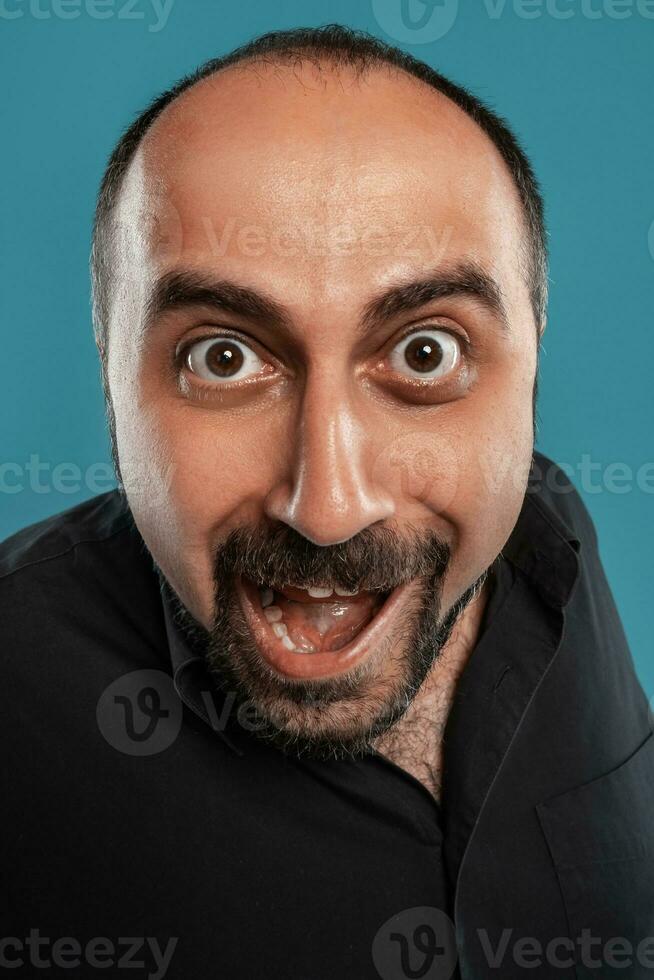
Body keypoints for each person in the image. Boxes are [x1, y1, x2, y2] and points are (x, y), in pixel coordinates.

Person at [1, 24, 652, 980]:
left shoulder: (554, 537)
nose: (329, 508)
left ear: (531, 355)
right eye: (222, 357)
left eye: (425, 353)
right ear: (110, 373)